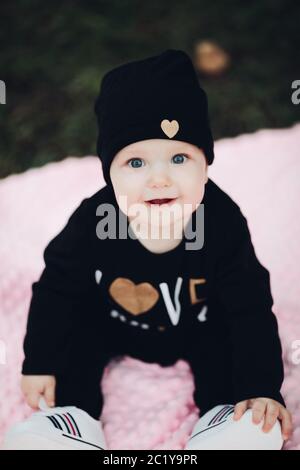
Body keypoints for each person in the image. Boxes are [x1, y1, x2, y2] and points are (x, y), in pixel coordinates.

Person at [2, 49, 293, 450]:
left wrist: (262, 388)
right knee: (77, 342)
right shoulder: (94, 221)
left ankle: (225, 420)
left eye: (178, 157)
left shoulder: (221, 222)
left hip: (200, 322)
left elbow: (250, 305)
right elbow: (56, 289)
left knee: (225, 343)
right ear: (110, 173)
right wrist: (40, 362)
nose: (159, 178)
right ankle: (69, 422)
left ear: (206, 166)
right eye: (136, 163)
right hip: (107, 318)